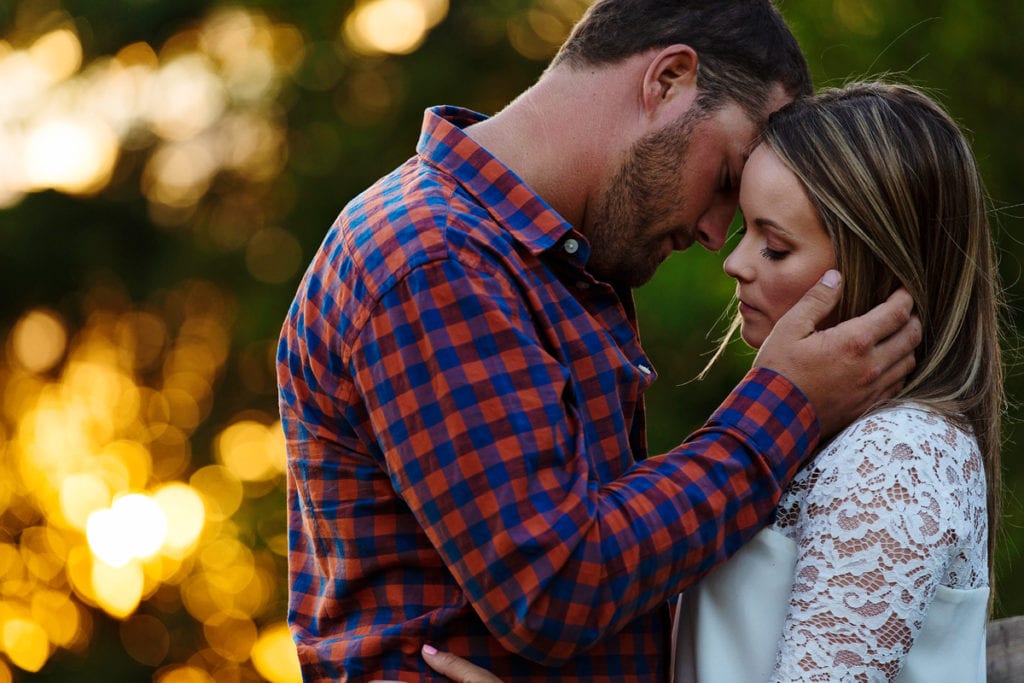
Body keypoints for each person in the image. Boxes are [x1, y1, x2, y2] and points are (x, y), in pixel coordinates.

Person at [276, 0, 921, 679]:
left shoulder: (544, 264)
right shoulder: (436, 262)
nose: (715, 234)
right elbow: (554, 584)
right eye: (728, 178)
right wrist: (784, 407)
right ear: (669, 79)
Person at [412, 82, 1003, 682]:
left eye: (774, 246)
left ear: (879, 269)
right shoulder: (828, 435)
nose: (734, 261)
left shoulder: (899, 458)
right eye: (744, 228)